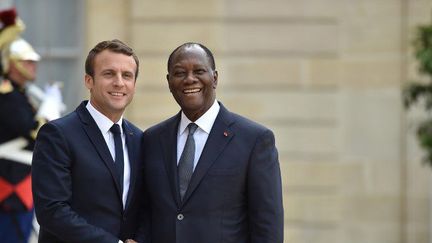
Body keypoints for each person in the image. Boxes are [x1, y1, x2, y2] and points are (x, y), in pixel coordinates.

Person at [140, 42, 284, 243]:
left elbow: (268, 227)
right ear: (169, 81)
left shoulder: (254, 140)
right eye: (180, 73)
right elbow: (145, 211)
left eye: (199, 71)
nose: (189, 79)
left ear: (214, 78)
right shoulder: (152, 139)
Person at [32, 39, 147, 243]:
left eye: (127, 75)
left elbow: (146, 206)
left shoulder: (139, 139)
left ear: (134, 85)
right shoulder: (58, 134)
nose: (119, 82)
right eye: (109, 73)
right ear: (89, 81)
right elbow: (52, 211)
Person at [0, 8, 45, 242]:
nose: (33, 66)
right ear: (13, 64)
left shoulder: (20, 95)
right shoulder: (7, 96)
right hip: (10, 182)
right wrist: (47, 116)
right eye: (27, 62)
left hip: (22, 179)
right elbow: (32, 131)